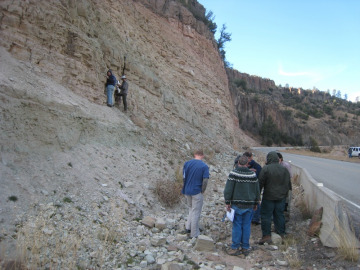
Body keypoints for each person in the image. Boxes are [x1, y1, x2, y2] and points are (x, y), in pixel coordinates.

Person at [224, 155, 260, 256]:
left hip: (237, 204)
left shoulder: (233, 173)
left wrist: (227, 202)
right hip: (249, 204)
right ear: (247, 164)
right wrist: (256, 202)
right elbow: (257, 190)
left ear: (238, 163)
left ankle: (235, 247)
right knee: (246, 225)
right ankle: (245, 247)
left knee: (237, 225)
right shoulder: (252, 175)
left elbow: (228, 189)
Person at [258, 151, 291, 245]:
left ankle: (266, 236)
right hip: (281, 198)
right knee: (279, 215)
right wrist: (285, 195)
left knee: (266, 216)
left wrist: (257, 196)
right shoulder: (284, 169)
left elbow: (260, 183)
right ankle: (281, 234)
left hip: (268, 197)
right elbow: (288, 184)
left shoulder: (266, 169)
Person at [182, 149, 209, 238]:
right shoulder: (204, 166)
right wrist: (203, 190)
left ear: (194, 154)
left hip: (187, 190)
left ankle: (188, 227)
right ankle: (194, 233)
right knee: (196, 212)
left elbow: (184, 177)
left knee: (191, 209)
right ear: (202, 156)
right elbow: (205, 180)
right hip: (196, 190)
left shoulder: (187, 163)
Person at [243, 151, 262, 225]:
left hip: (248, 188)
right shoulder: (257, 166)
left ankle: (254, 218)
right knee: (256, 202)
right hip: (253, 188)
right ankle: (255, 218)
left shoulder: (239, 165)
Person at [277, 152, 292, 221]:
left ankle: (285, 218)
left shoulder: (286, 165)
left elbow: (289, 176)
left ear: (281, 159)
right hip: (278, 187)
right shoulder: (274, 165)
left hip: (286, 187)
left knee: (286, 202)